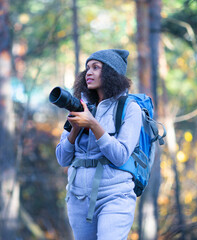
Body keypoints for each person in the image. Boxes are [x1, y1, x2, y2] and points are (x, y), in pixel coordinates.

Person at [55, 49, 142, 240]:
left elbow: (120, 155)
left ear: (111, 73)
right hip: (78, 198)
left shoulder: (130, 109)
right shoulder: (82, 107)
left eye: (96, 67)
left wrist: (92, 124)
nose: (88, 72)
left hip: (115, 196)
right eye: (87, 67)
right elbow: (62, 158)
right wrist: (75, 129)